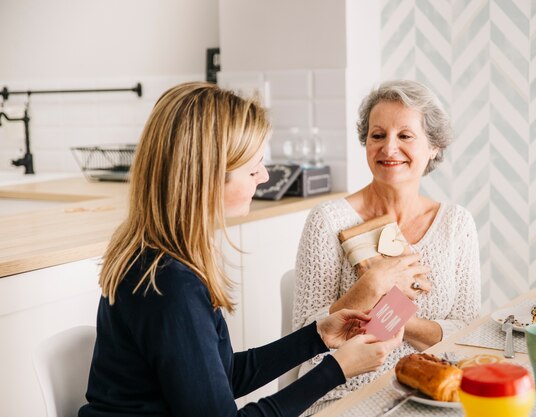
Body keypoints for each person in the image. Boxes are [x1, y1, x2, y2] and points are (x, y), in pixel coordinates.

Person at [78, 82, 405, 417]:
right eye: (253, 168)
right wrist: (336, 370)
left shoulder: (162, 259)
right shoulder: (169, 284)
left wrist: (317, 336)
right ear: (207, 178)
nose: (263, 177)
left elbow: (220, 377)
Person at [292, 80, 481, 408]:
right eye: (377, 135)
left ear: (433, 146)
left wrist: (396, 317)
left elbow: (466, 332)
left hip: (430, 396)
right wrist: (370, 287)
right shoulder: (329, 220)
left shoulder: (456, 225)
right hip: (342, 396)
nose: (389, 148)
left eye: (405, 136)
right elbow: (302, 338)